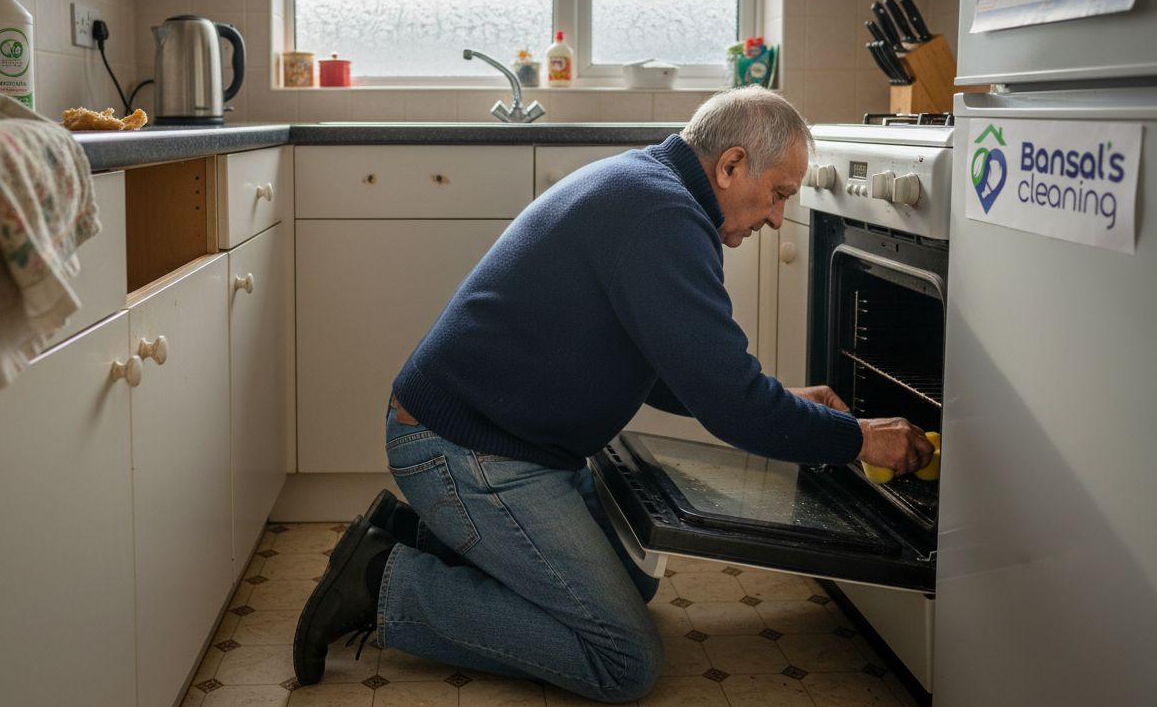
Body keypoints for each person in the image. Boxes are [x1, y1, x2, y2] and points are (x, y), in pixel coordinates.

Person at [292, 86, 936, 702]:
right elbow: (729, 403)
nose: (775, 217)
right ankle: (380, 582)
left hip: (509, 445)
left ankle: (407, 535)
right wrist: (859, 439)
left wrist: (781, 401)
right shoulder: (664, 217)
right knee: (622, 660)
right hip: (466, 451)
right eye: (777, 194)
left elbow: (678, 372)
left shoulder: (648, 186)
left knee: (632, 580)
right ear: (731, 165)